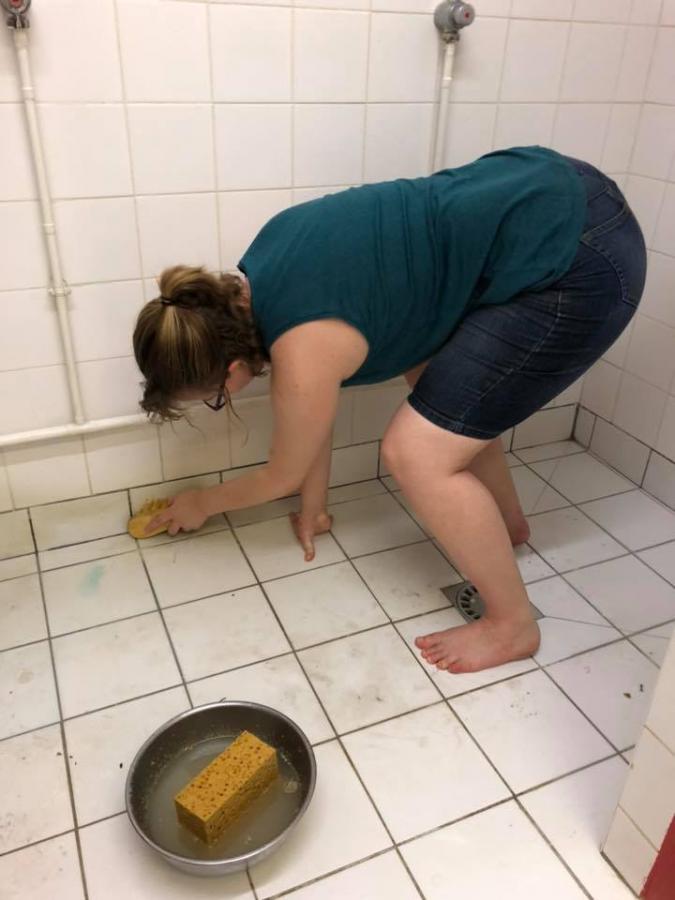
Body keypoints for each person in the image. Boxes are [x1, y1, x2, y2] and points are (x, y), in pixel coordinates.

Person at [133, 146, 646, 675]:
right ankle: (505, 526)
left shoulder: (302, 350)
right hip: (554, 187)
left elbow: (282, 468)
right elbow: (310, 408)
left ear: (232, 369)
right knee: (444, 402)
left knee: (416, 452)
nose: (224, 401)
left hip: (581, 259)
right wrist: (315, 508)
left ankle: (513, 625)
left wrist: (204, 502)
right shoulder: (267, 257)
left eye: (216, 397)